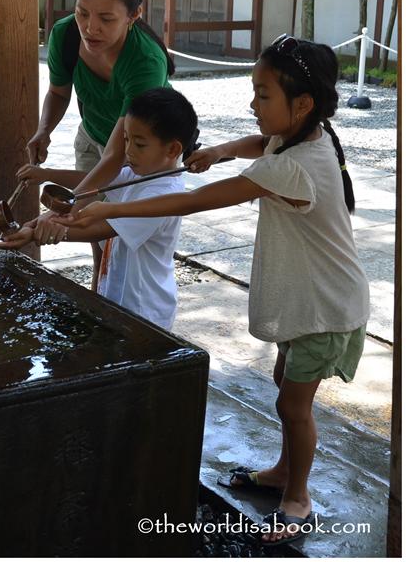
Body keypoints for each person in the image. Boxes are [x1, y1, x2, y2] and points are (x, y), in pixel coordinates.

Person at [70, 36, 369, 546]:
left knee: (295, 406)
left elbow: (198, 202)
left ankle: (297, 498)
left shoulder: (291, 166)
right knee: (284, 385)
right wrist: (223, 149)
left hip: (328, 305)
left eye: (263, 95)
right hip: (310, 298)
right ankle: (281, 470)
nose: (252, 105)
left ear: (302, 104)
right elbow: (260, 144)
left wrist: (108, 208)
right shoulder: (302, 138)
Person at [0, 88, 198, 331]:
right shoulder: (139, 175)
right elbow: (93, 180)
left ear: (173, 150)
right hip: (118, 299)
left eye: (139, 144)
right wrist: (46, 177)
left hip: (145, 310)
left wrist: (41, 233)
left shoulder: (163, 195)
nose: (128, 151)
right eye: (126, 140)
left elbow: (98, 229)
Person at [27, 0, 174, 290]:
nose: (90, 28)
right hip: (93, 135)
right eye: (82, 13)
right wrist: (42, 130)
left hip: (142, 149)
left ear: (134, 15)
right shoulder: (65, 35)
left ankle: (140, 308)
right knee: (94, 236)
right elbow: (57, 93)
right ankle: (101, 292)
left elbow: (116, 155)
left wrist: (61, 210)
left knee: (131, 238)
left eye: (106, 18)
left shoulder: (145, 60)